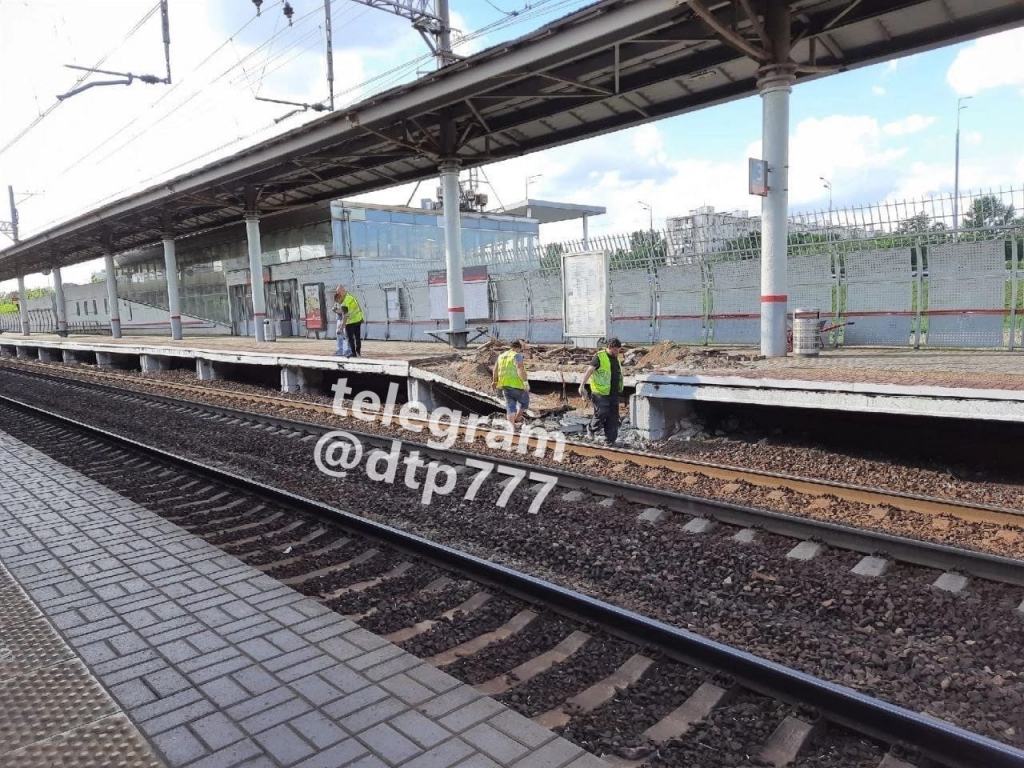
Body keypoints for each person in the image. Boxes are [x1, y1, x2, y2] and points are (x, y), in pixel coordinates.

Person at [579, 337, 624, 447]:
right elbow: (589, 371)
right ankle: (591, 428)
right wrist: (582, 386)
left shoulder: (616, 358)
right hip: (600, 393)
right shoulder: (599, 357)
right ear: (609, 348)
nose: (617, 352)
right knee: (602, 413)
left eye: (619, 350)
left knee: (613, 418)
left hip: (613, 393)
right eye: (615, 350)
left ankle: (610, 441)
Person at [492, 339, 530, 427]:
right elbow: (519, 368)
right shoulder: (517, 355)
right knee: (525, 401)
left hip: (504, 385)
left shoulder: (501, 356)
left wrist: (494, 381)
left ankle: (511, 426)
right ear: (518, 348)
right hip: (516, 385)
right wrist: (525, 382)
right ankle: (518, 417)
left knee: (510, 406)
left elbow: (495, 370)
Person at [332, 285, 364, 357]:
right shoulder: (350, 297)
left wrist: (341, 328)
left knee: (350, 338)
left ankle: (353, 353)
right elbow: (358, 306)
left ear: (341, 292)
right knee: (357, 337)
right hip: (358, 319)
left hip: (351, 322)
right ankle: (358, 352)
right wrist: (361, 317)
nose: (337, 293)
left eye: (338, 292)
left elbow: (345, 316)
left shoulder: (344, 303)